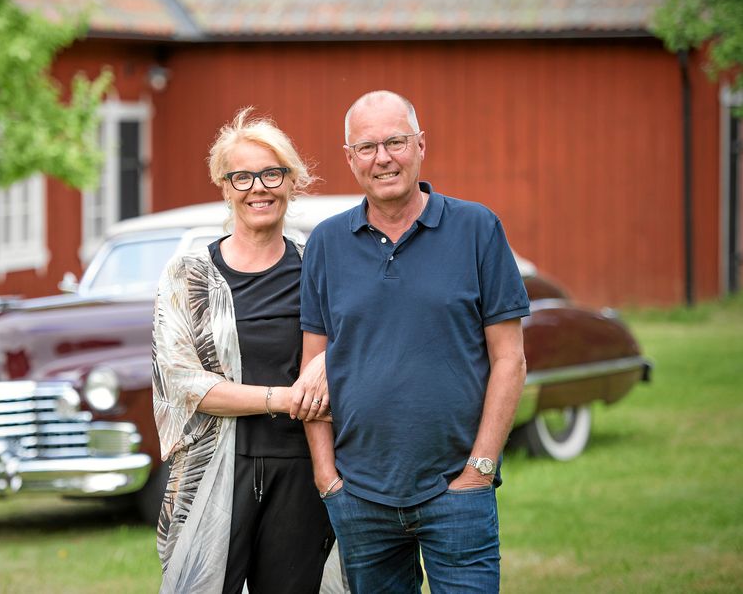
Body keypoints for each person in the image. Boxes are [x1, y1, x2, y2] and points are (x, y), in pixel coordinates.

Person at [295, 90, 529, 593]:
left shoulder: (477, 228)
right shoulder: (326, 244)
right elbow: (312, 371)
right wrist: (327, 478)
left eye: (395, 142)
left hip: (457, 494)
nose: (383, 158)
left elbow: (509, 359)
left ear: (421, 145)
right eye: (367, 147)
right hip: (360, 498)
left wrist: (480, 469)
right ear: (350, 159)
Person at [151, 108, 335, 593]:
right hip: (210, 472)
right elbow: (184, 383)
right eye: (243, 176)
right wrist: (281, 398)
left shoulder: (317, 267)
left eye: (272, 174)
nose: (259, 187)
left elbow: (352, 345)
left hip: (299, 471)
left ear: (291, 183)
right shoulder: (188, 277)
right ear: (225, 186)